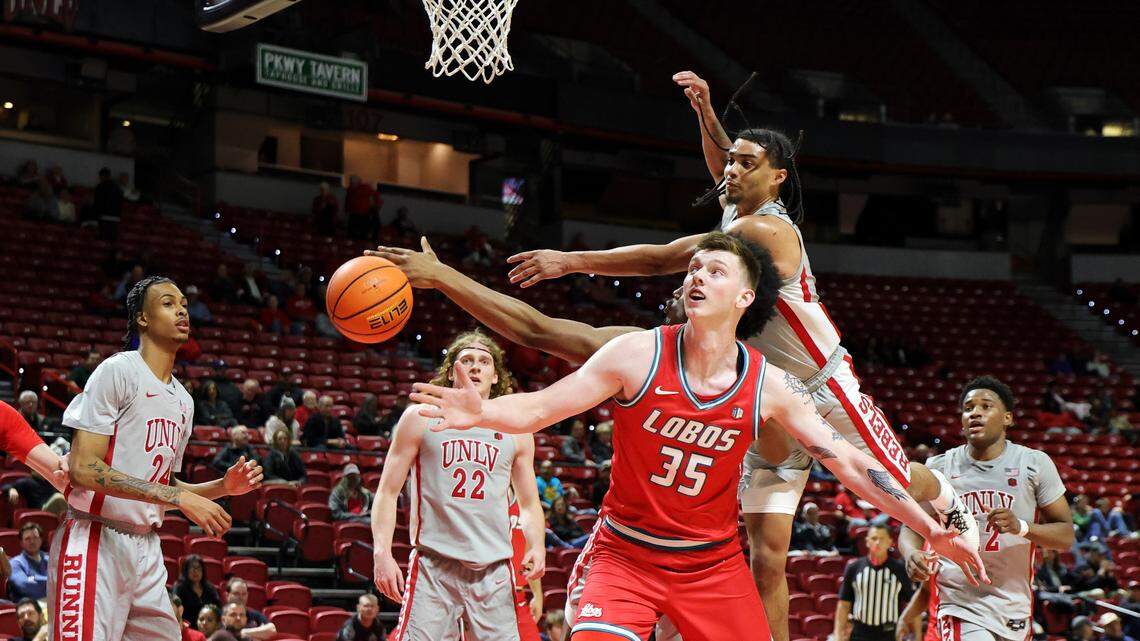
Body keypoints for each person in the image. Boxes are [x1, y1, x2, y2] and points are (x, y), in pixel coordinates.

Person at [501, 74, 979, 641]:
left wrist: (571, 261)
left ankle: (948, 497)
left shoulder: (769, 231)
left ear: (776, 178)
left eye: (745, 164)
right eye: (730, 162)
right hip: (765, 394)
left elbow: (664, 259)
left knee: (889, 479)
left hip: (823, 385)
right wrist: (705, 112)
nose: (730, 170)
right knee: (765, 556)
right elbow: (727, 164)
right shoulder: (739, 210)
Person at [366, 234, 983, 640]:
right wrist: (484, 412)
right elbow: (536, 409)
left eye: (715, 269)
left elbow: (847, 462)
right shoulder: (634, 353)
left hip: (711, 564)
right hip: (624, 554)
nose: (696, 275)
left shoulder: (771, 387)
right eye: (692, 267)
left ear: (745, 296)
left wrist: (931, 528)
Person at [52, 276, 262, 641]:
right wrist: (176, 497)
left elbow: (162, 484)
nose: (181, 309)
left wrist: (222, 487)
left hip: (146, 548)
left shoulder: (184, 400)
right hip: (95, 537)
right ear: (142, 318)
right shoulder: (118, 370)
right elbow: (83, 468)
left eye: (183, 302)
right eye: (168, 302)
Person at [371, 330, 546, 641]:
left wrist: (537, 545)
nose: (475, 367)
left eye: (484, 361)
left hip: (494, 569)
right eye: (467, 360)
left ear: (495, 376)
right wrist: (382, 552)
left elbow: (529, 503)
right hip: (434, 565)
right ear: (452, 372)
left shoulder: (516, 428)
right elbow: (386, 491)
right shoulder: (421, 417)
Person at [900, 376, 1074, 641]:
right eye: (969, 408)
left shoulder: (1034, 464)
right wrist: (911, 553)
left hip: (1014, 605)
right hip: (959, 603)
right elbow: (910, 527)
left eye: (985, 406)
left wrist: (1022, 527)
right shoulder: (940, 466)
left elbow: (1065, 536)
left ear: (1007, 418)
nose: (975, 413)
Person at [834, 525, 913, 641]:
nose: (878, 542)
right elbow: (844, 604)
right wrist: (838, 635)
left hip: (889, 632)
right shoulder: (854, 568)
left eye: (882, 539)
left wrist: (918, 636)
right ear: (867, 542)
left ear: (890, 542)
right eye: (874, 538)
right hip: (860, 632)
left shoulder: (900, 569)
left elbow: (910, 602)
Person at [175, 555, 223, 630]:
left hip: (209, 629)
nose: (195, 571)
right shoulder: (179, 587)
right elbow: (175, 610)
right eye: (192, 568)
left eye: (198, 568)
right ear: (186, 570)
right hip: (187, 629)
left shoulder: (209, 588)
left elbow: (218, 608)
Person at [8, 523, 48, 601]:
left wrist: (34, 578)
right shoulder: (15, 563)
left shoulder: (52, 560)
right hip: (29, 607)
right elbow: (24, 586)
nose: (32, 542)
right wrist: (52, 582)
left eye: (35, 537)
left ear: (41, 540)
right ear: (21, 543)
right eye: (27, 539)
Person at [93, 166, 123, 243]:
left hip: (104, 217)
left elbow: (97, 203)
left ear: (101, 176)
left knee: (103, 242)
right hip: (115, 218)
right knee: (112, 242)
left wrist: (97, 216)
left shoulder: (100, 187)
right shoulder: (117, 188)